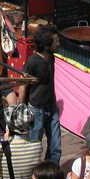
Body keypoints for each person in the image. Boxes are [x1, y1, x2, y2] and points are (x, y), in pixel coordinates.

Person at [19, 25, 62, 164]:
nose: (58, 44)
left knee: (55, 146)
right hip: (36, 110)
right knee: (35, 146)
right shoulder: (32, 62)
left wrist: (54, 103)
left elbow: (50, 83)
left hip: (51, 108)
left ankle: (51, 172)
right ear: (46, 45)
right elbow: (23, 86)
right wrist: (22, 108)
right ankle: (34, 174)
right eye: (55, 42)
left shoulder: (52, 57)